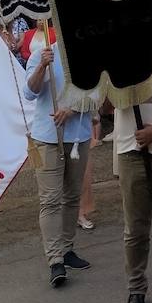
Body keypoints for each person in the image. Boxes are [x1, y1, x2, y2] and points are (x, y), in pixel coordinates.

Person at [24, 34, 98, 287]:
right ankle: (55, 259)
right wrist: (43, 66)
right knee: (50, 199)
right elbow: (30, 92)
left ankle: (67, 248)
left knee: (72, 196)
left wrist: (73, 109)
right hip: (46, 137)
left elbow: (99, 92)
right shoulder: (41, 55)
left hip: (78, 135)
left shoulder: (88, 53)